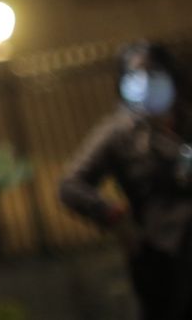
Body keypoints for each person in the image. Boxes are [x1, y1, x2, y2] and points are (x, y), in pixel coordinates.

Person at [59, 41, 192, 320]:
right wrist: (113, 216)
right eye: (134, 74)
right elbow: (71, 186)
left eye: (153, 72)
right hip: (162, 258)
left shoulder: (186, 120)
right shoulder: (119, 133)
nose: (145, 82)